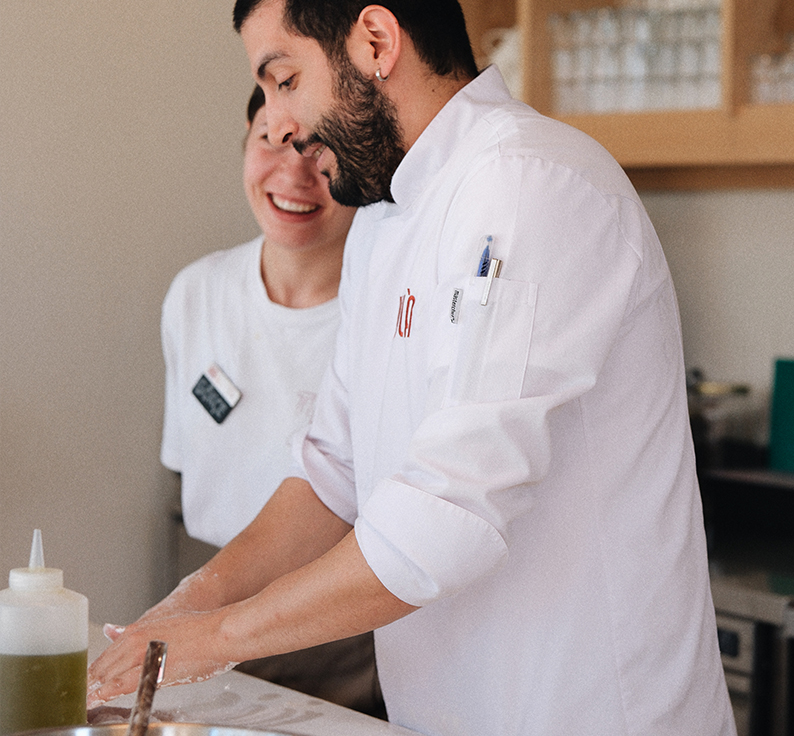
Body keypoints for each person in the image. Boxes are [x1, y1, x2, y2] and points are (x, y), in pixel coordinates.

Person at [88, 2, 737, 734]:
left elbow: (444, 516)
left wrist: (215, 639)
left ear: (375, 41)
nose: (286, 123)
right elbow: (333, 471)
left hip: (581, 711)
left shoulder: (527, 183)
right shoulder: (383, 220)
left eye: (285, 78)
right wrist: (191, 604)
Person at [154, 85, 383, 716]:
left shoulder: (386, 318)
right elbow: (190, 480)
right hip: (206, 597)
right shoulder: (196, 292)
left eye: (323, 153)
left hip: (338, 628)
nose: (293, 175)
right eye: (272, 142)